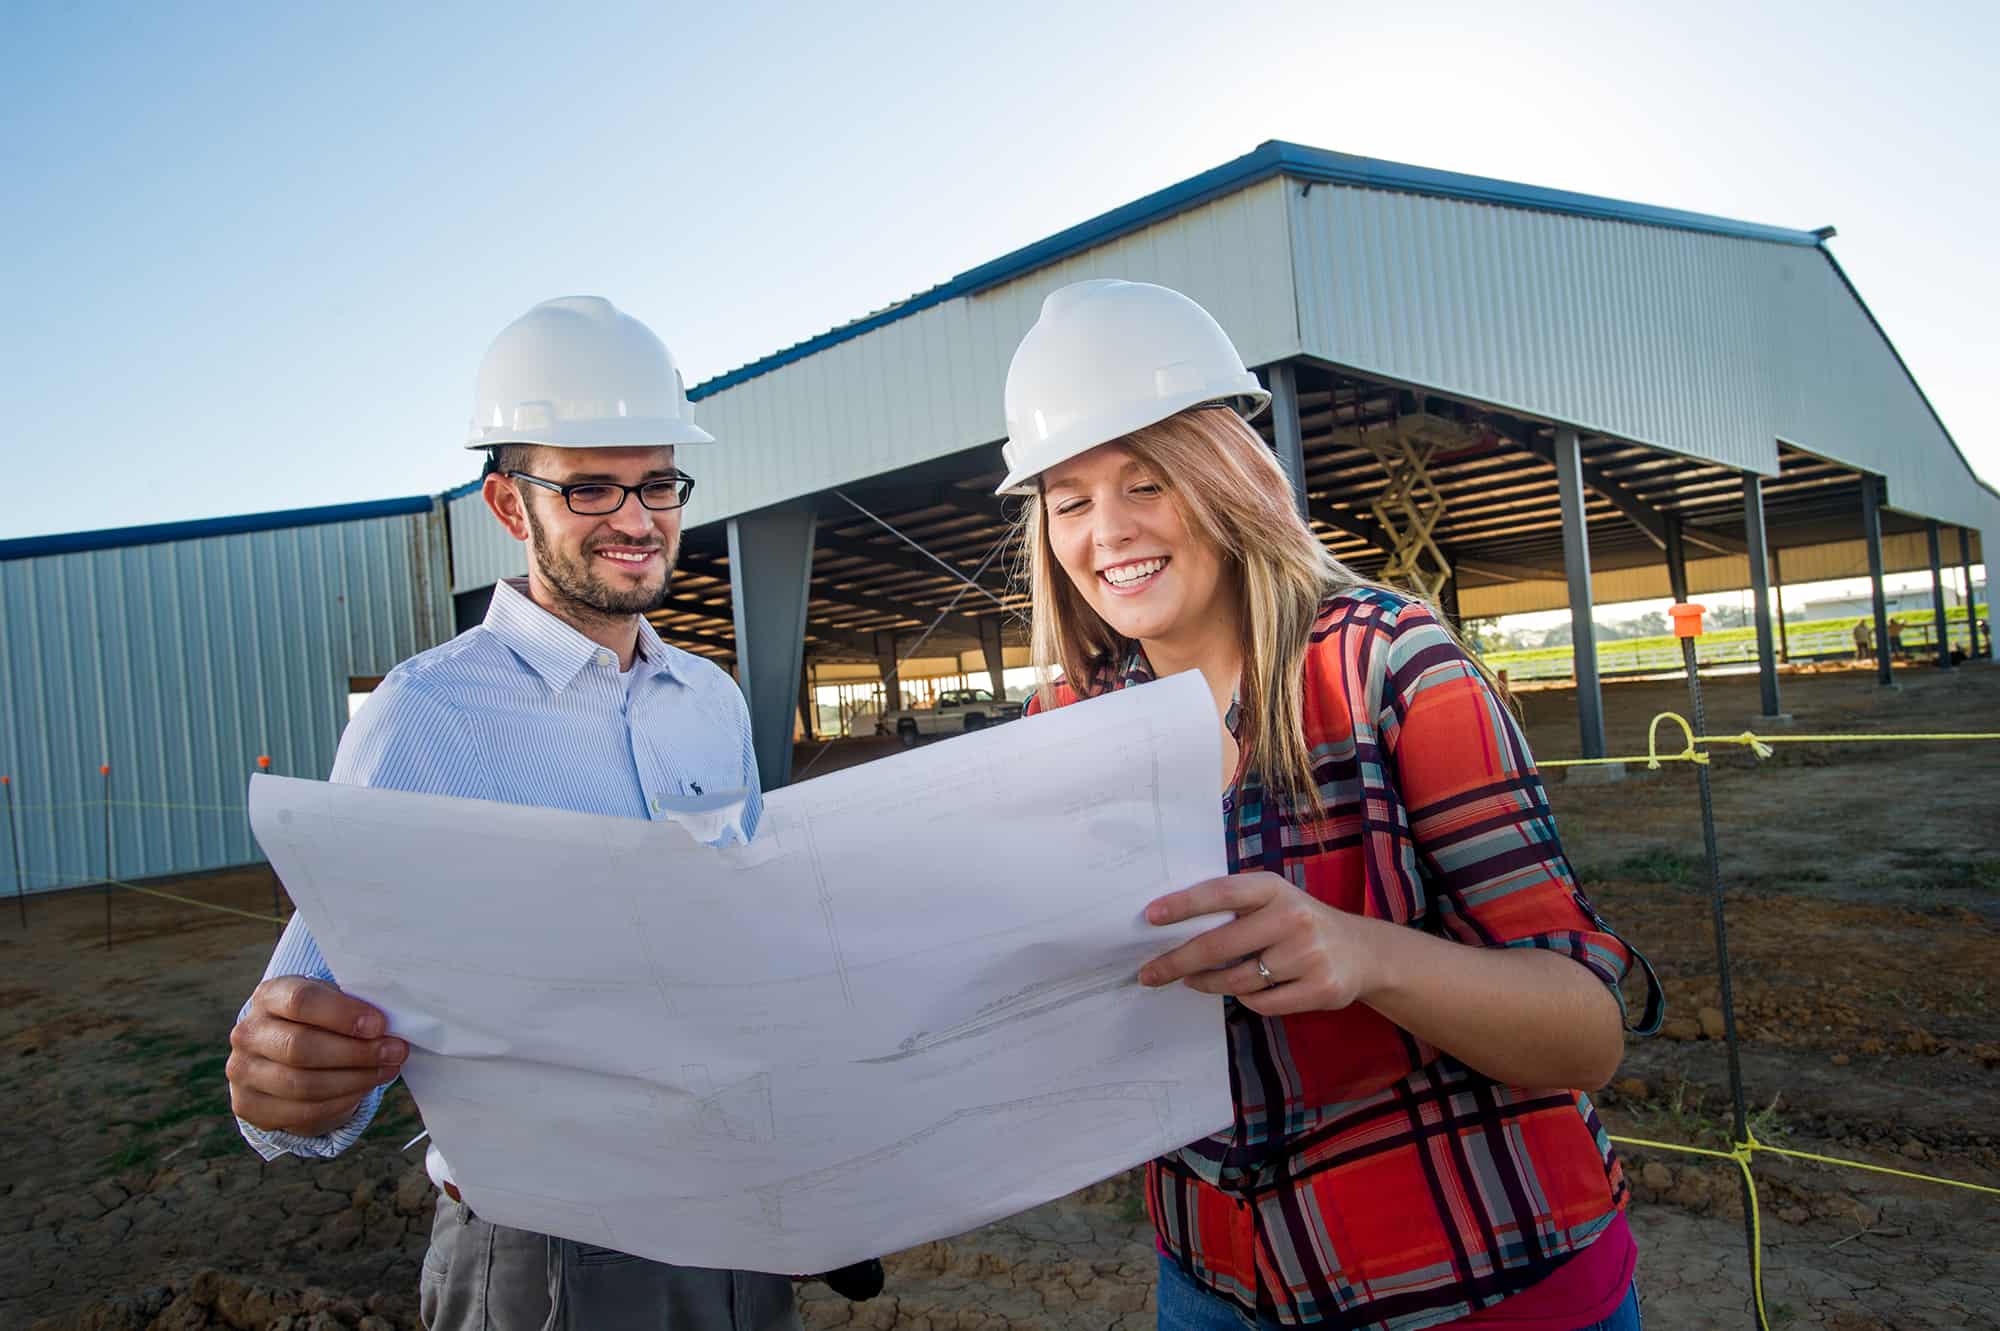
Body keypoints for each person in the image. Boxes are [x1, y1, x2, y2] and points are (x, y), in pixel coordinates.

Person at [997, 280, 1663, 1331]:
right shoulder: (1065, 721)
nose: (1107, 530)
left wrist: (1363, 954)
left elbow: (1585, 1033)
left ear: (1224, 476)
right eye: (1069, 499)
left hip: (1468, 1272)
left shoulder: (1385, 663)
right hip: (1216, 1282)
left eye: (1146, 480)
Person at [226, 297, 801, 1330]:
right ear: (506, 504)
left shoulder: (710, 702)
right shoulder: (429, 715)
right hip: (548, 1248)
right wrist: (285, 1076)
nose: (636, 519)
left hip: (734, 1202)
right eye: (588, 485)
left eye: (657, 482)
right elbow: (305, 1041)